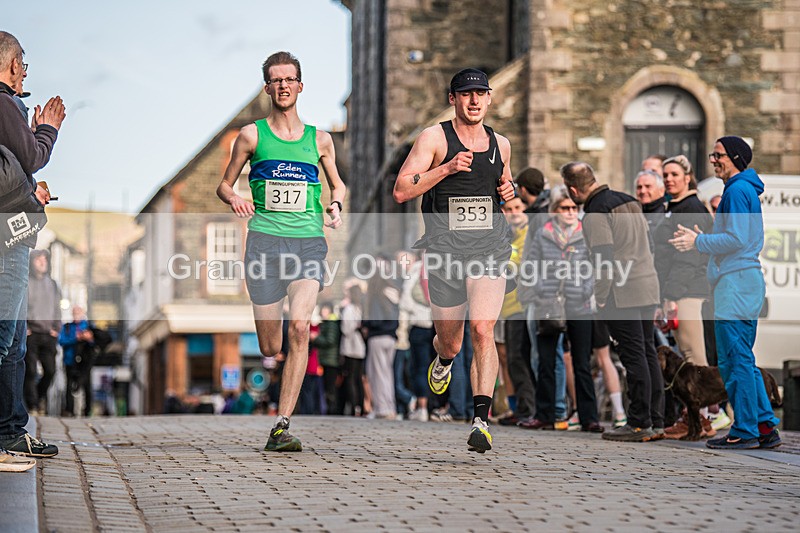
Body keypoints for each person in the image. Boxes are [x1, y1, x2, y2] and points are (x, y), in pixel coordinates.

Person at [216, 51, 346, 452]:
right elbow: (224, 184)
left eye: (289, 79)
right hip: (264, 244)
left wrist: (335, 205)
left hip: (308, 242)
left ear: (300, 86)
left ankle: (282, 424)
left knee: (300, 328)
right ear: (267, 88)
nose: (283, 85)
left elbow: (338, 185)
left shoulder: (319, 140)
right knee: (271, 346)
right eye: (276, 80)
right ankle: (277, 381)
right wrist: (235, 198)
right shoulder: (251, 136)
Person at [393, 68, 515, 453]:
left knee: (483, 328)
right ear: (453, 99)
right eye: (466, 94)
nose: (474, 100)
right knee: (451, 343)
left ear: (489, 98)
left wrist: (508, 190)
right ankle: (443, 360)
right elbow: (401, 190)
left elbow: (505, 187)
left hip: (489, 248)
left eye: (481, 93)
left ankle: (481, 420)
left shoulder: (501, 144)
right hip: (445, 251)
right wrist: (446, 168)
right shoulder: (434, 138)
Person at [670, 136, 782, 450]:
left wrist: (698, 242)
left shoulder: (736, 190)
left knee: (735, 361)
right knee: (741, 358)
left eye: (718, 155)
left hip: (736, 284)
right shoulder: (742, 189)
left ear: (735, 158)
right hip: (741, 282)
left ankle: (745, 430)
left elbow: (735, 239)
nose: (713, 160)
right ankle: (764, 426)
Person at [561, 162, 664, 442]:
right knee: (647, 351)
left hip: (622, 291)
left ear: (573, 190)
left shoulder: (595, 211)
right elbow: (649, 245)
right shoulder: (629, 200)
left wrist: (601, 297)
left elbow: (603, 259)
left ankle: (639, 423)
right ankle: (656, 419)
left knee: (633, 354)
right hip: (647, 284)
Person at [0, 31, 64, 463]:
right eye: (23, 65)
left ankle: (11, 431)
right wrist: (47, 130)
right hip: (7, 240)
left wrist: (30, 192)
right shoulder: (4, 102)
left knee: (14, 345)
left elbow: (13, 171)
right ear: (12, 65)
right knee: (4, 339)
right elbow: (32, 157)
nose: (24, 73)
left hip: (14, 233)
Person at [520, 185, 603, 432]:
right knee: (546, 361)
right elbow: (531, 265)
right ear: (555, 210)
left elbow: (594, 265)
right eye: (564, 208)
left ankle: (589, 417)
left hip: (579, 303)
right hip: (549, 303)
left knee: (582, 363)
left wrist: (586, 289)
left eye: (574, 208)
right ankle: (545, 414)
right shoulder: (543, 234)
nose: (570, 212)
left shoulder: (585, 232)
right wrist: (541, 289)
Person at [652, 155, 715, 439]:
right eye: (665, 175)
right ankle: (695, 417)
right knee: (689, 355)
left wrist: (671, 296)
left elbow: (687, 259)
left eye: (674, 174)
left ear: (687, 177)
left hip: (688, 291)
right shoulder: (676, 207)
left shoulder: (690, 208)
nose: (669, 179)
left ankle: (703, 419)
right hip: (679, 290)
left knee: (694, 357)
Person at [496, 196, 536, 426]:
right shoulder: (507, 236)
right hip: (507, 306)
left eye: (518, 207)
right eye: (509, 209)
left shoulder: (528, 235)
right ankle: (518, 407)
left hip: (522, 305)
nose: (513, 213)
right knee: (511, 360)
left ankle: (527, 409)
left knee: (519, 359)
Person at [362, 257, 400, 419]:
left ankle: (381, 408)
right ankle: (390, 406)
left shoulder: (376, 293)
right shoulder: (393, 292)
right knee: (387, 374)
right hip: (391, 337)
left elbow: (375, 319)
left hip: (377, 336)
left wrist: (365, 324)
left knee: (377, 374)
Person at [24, 249, 61, 414]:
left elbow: (57, 307)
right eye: (38, 259)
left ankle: (38, 398)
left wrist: (57, 328)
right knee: (30, 371)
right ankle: (32, 405)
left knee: (50, 371)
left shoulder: (52, 284)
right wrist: (24, 327)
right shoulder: (26, 282)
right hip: (31, 333)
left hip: (49, 334)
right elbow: (21, 306)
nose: (42, 262)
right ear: (32, 262)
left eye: (44, 259)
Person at [58, 306, 94, 417]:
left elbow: (94, 342)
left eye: (78, 313)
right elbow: (61, 340)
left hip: (84, 362)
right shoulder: (67, 327)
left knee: (86, 386)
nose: (76, 315)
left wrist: (88, 338)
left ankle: (87, 411)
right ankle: (70, 410)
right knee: (69, 386)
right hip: (70, 361)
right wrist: (75, 338)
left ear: (83, 313)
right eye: (75, 313)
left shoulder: (88, 326)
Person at [340, 282, 366, 416]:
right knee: (358, 378)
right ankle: (360, 405)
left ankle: (354, 405)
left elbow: (345, 329)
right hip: (360, 348)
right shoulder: (362, 309)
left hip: (350, 348)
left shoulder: (349, 309)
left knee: (350, 378)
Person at [312, 301, 342, 415]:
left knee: (330, 387)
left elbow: (330, 340)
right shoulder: (326, 323)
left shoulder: (331, 323)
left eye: (326, 309)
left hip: (331, 360)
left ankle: (332, 410)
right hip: (326, 359)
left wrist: (316, 338)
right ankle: (328, 409)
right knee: (326, 387)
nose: (323, 312)